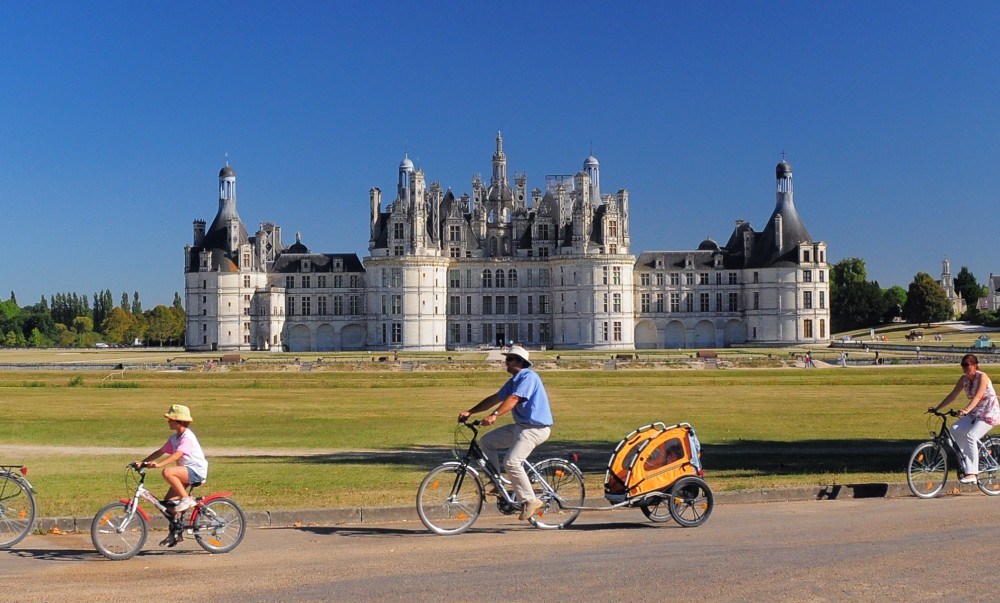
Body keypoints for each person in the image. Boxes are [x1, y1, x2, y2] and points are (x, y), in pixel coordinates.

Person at [458, 345, 553, 521]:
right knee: (487, 441)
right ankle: (496, 482)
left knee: (511, 462)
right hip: (522, 427)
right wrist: (471, 412)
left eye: (509, 359)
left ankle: (530, 500)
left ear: (519, 362)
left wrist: (494, 415)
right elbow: (495, 398)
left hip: (535, 429)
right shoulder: (514, 380)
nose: (505, 362)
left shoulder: (529, 377)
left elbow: (514, 399)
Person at [929, 354, 1000, 483]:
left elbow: (978, 397)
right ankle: (967, 461)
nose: (964, 368)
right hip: (975, 413)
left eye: (967, 365)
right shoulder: (964, 379)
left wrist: (966, 410)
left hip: (989, 413)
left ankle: (972, 473)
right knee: (955, 429)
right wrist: (937, 408)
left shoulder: (982, 377)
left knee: (971, 436)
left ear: (975, 365)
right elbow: (953, 395)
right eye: (963, 365)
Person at [137, 404, 209, 513]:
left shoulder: (187, 437)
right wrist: (142, 462)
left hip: (196, 471)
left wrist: (159, 465)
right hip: (185, 471)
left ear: (179, 421)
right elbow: (161, 451)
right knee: (168, 505)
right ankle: (177, 527)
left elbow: (178, 454)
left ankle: (187, 499)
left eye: (171, 419)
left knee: (168, 472)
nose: (168, 422)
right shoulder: (175, 437)